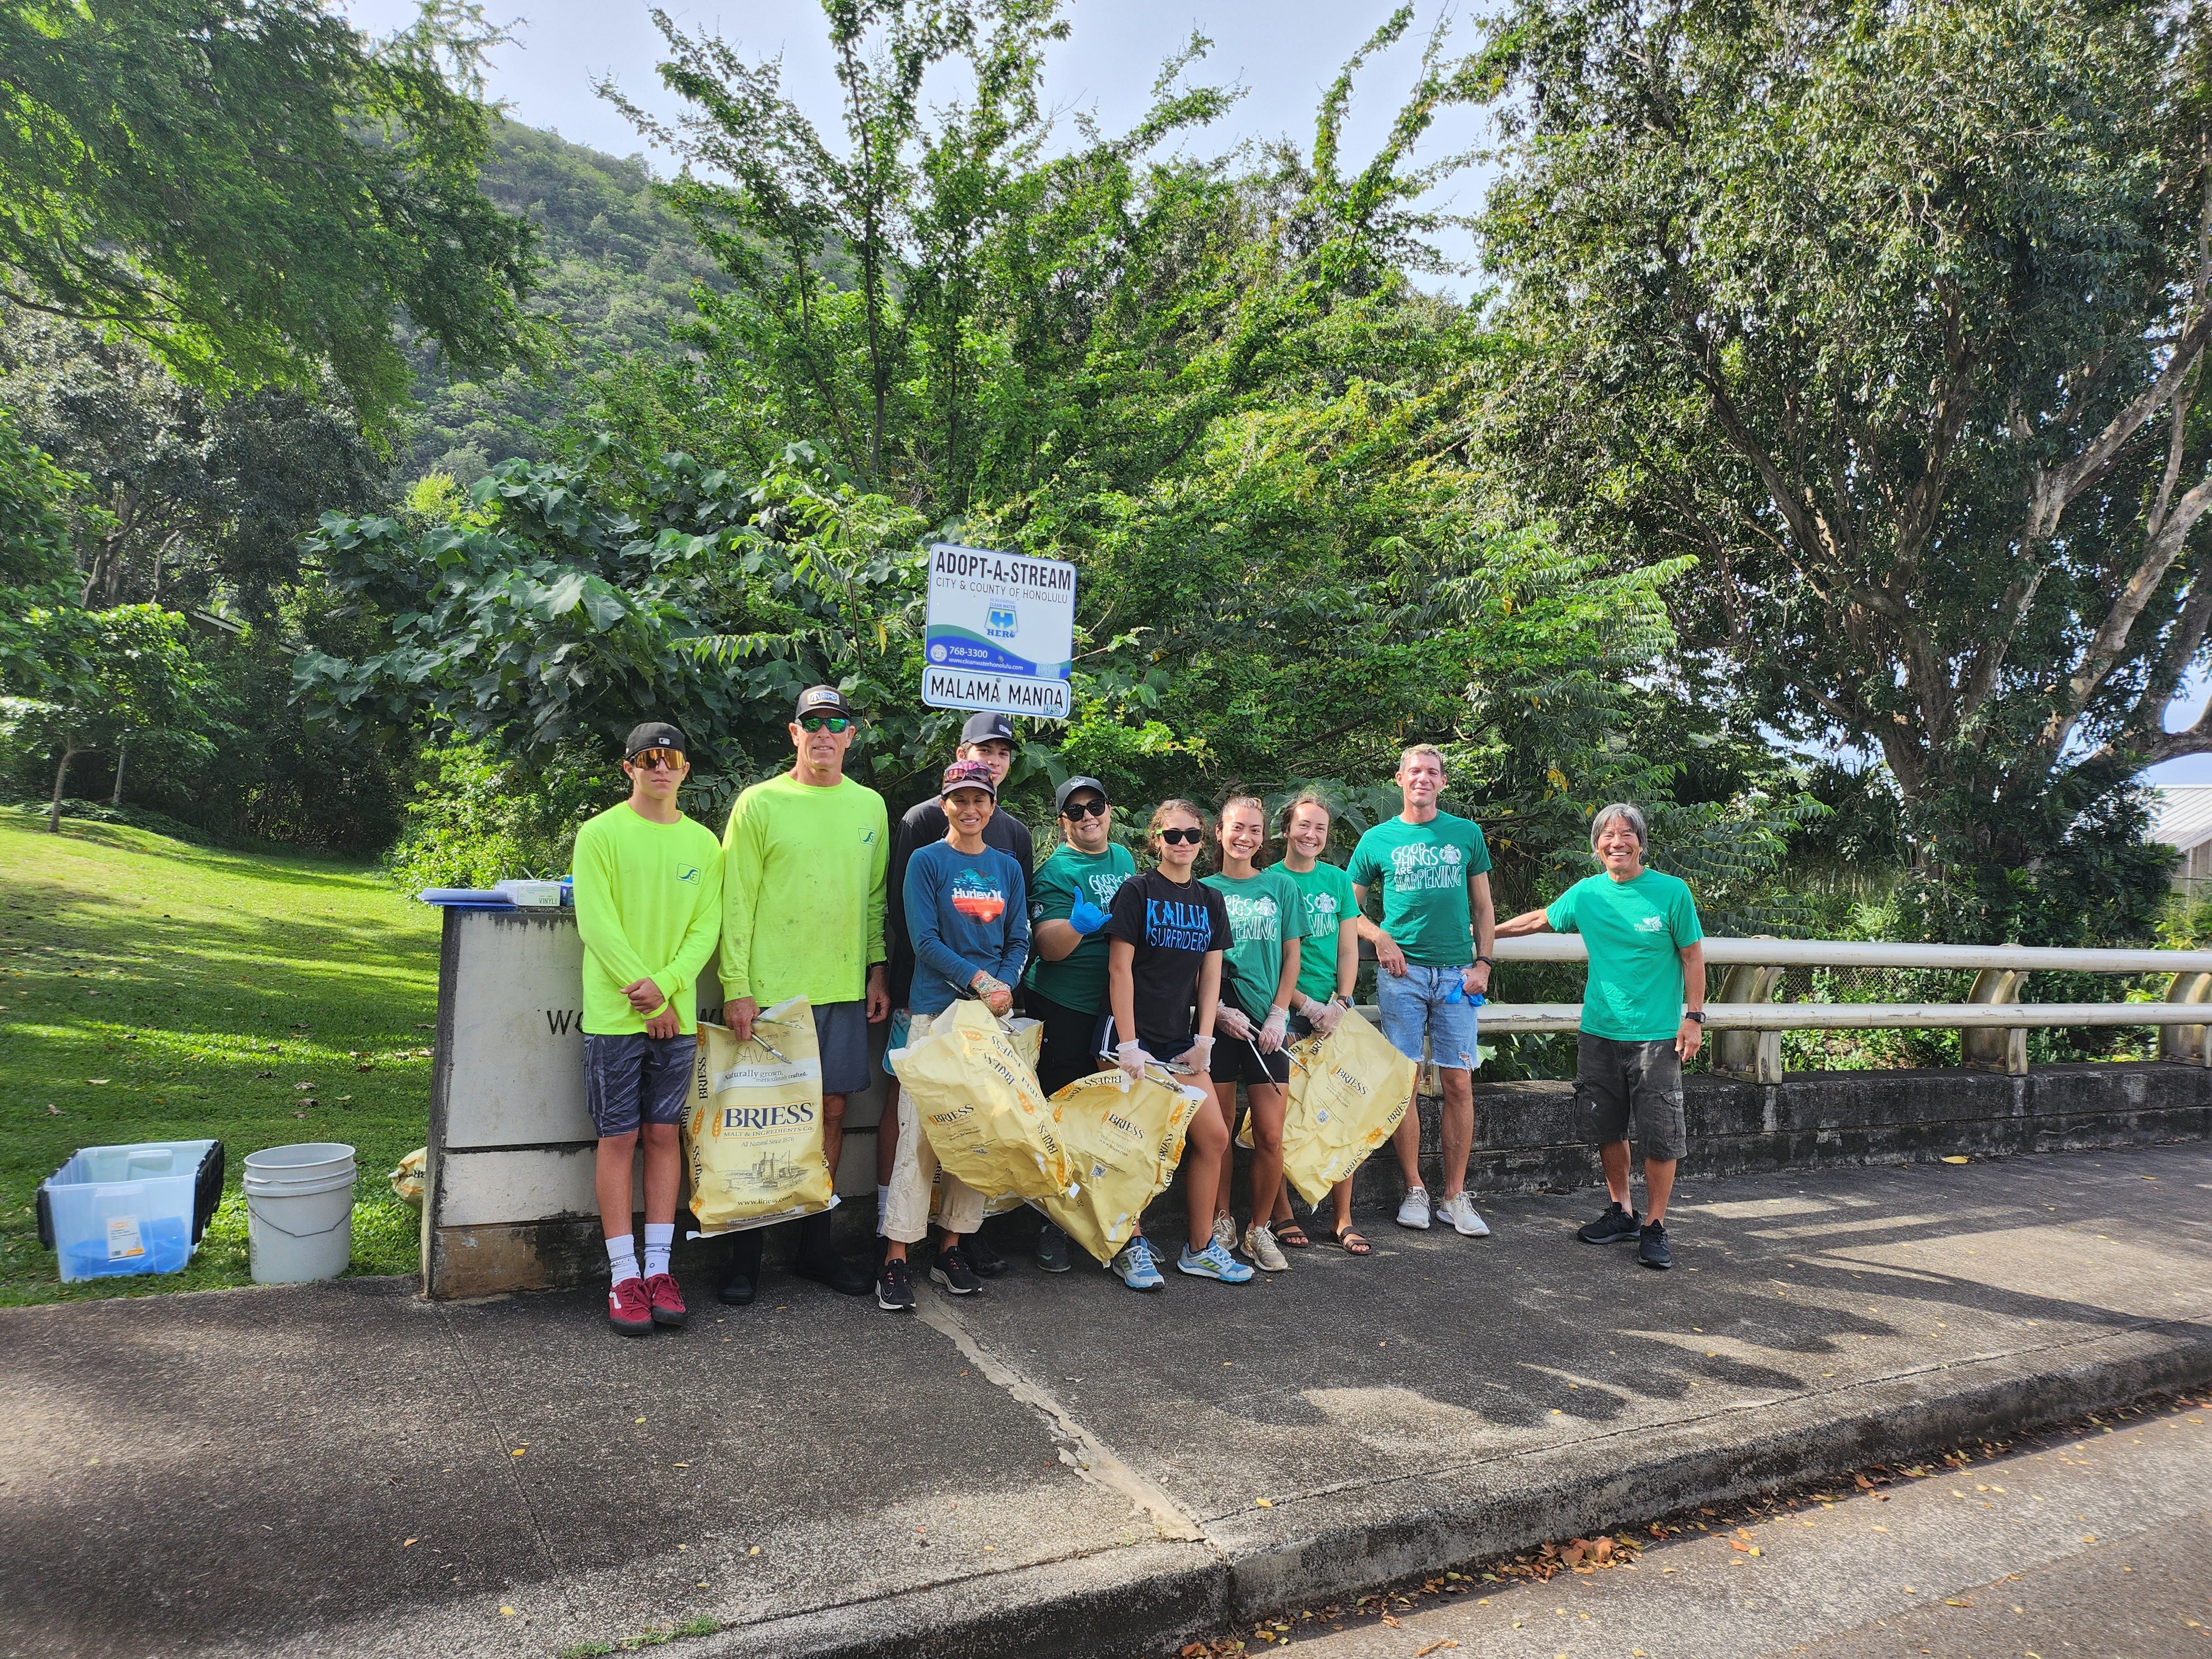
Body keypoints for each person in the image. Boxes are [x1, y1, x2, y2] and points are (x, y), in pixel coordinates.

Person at [717, 685, 890, 1304]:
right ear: (794, 734)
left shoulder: (870, 806)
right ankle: (745, 1257)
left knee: (832, 1116)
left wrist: (876, 970)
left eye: (835, 723)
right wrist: (735, 987)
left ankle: (816, 1248)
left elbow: (873, 899)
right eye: (811, 723)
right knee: (757, 1124)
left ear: (850, 735)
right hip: (770, 991)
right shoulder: (758, 803)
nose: (823, 733)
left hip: (843, 988)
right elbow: (733, 899)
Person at [1494, 802, 1704, 1270]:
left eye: (1627, 834)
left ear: (1641, 842)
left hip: (1656, 1036)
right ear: (1596, 846)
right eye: (1608, 835)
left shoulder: (1671, 892)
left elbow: (1692, 956)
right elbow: (1535, 921)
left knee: (1660, 1135)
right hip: (1599, 1032)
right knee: (1605, 1127)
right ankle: (1622, 1211)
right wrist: (1478, 936)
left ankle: (1654, 1225)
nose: (1618, 842)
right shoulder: (1587, 894)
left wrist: (1694, 1017)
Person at [571, 722, 724, 1336]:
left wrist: (667, 988)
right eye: (649, 758)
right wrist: (646, 993)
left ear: (686, 770)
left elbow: (704, 931)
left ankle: (660, 1270)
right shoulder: (599, 834)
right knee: (619, 1140)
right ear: (629, 767)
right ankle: (622, 1277)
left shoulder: (704, 844)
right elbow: (597, 924)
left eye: (672, 759)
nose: (661, 768)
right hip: (616, 1019)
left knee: (664, 1137)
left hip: (676, 1017)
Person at [879, 709, 1035, 1276]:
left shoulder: (1008, 866)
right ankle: (896, 1253)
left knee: (978, 1136)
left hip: (989, 1019)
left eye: (980, 801)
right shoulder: (927, 860)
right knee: (918, 1139)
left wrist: (1007, 983)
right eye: (960, 800)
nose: (970, 810)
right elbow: (922, 939)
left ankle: (951, 1247)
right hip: (934, 1013)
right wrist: (979, 981)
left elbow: (1019, 936)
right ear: (945, 804)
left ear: (992, 807)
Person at [1101, 800, 1253, 1286]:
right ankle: (1131, 1244)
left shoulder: (1210, 900)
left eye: (1192, 835)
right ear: (1156, 840)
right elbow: (1119, 969)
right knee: (1136, 1142)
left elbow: (1210, 976)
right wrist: (1128, 1044)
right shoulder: (1137, 890)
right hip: (1132, 1039)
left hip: (1181, 1041)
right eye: (1172, 836)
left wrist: (1205, 1038)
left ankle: (1201, 1247)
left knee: (1212, 1136)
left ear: (1203, 841)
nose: (1182, 843)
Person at [1348, 743, 1497, 1238]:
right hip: (1401, 977)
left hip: (1458, 976)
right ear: (1400, 779)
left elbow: (1483, 908)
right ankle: (1415, 1188)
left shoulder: (1466, 834)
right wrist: (1380, 936)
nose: (1423, 779)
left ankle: (1456, 1195)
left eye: (1432, 772)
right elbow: (1350, 909)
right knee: (1404, 1085)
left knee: (1458, 1084)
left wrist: (1484, 963)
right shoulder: (1376, 840)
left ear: (1443, 782)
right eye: (1415, 771)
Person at [1022, 774, 1136, 1272]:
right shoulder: (1055, 869)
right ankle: (1054, 1223)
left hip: (1116, 1008)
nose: (1089, 816)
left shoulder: (1125, 859)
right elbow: (1048, 946)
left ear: (1110, 810)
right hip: (1064, 1004)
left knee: (1110, 1122)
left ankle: (1106, 1220)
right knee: (1062, 1119)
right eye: (1077, 810)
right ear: (1062, 820)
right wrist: (1076, 925)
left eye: (1097, 806)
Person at [1201, 795, 1315, 1272]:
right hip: (1218, 1022)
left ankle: (1260, 1229)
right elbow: (1193, 961)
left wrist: (1278, 1015)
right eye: (1236, 828)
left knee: (1270, 1133)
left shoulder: (1281, 887)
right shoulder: (1202, 888)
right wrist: (1220, 1011)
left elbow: (1293, 957)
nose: (1244, 837)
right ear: (1219, 831)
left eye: (1253, 829)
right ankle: (1222, 1218)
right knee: (1219, 1133)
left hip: (1267, 1027)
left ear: (1264, 837)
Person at [1270, 790, 1369, 1256]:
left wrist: (1342, 1004)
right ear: (1286, 828)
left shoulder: (1337, 881)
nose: (1311, 835)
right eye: (1304, 825)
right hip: (1282, 1010)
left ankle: (1343, 1217)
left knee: (1341, 1110)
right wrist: (1306, 1007)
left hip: (1334, 1013)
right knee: (1279, 1118)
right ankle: (1280, 1211)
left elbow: (1348, 950)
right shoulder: (1269, 881)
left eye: (1321, 828)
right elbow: (1264, 963)